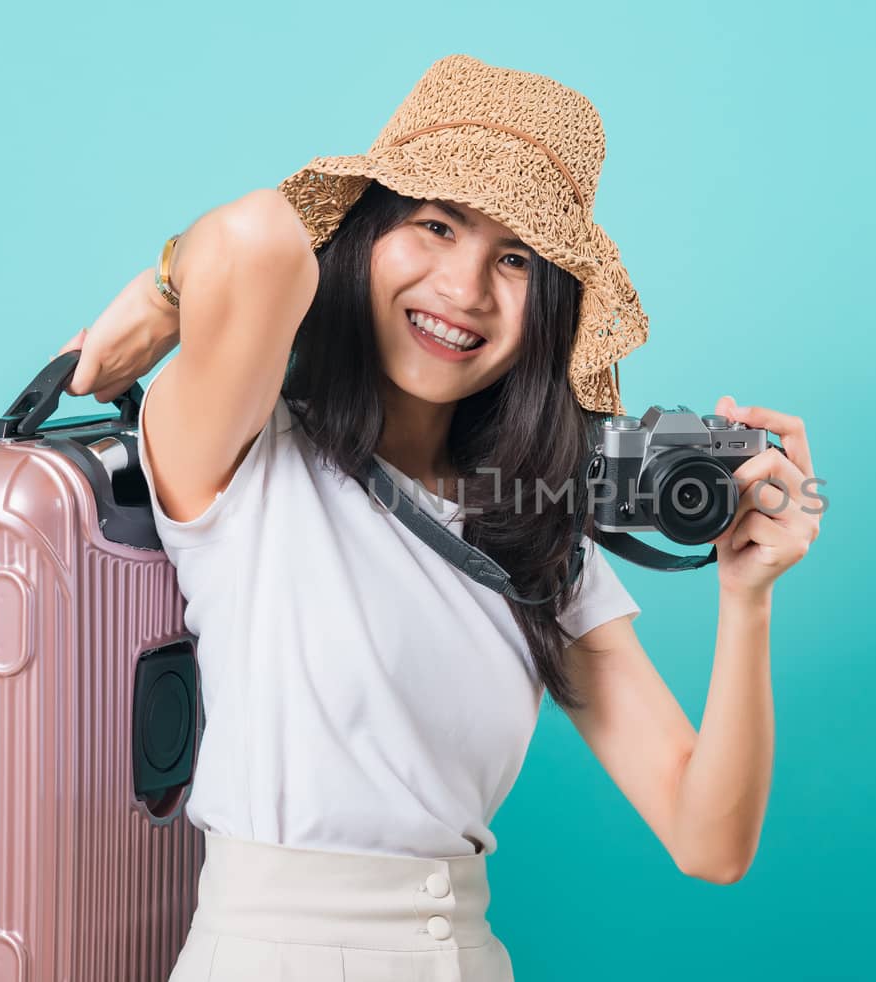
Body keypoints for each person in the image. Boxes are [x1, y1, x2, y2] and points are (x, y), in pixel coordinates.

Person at [57, 53, 822, 982]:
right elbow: (260, 238)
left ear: (549, 307)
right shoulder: (248, 445)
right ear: (365, 237)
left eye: (514, 259)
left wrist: (747, 599)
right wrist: (163, 291)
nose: (464, 291)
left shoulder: (538, 534)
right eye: (434, 225)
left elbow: (711, 841)